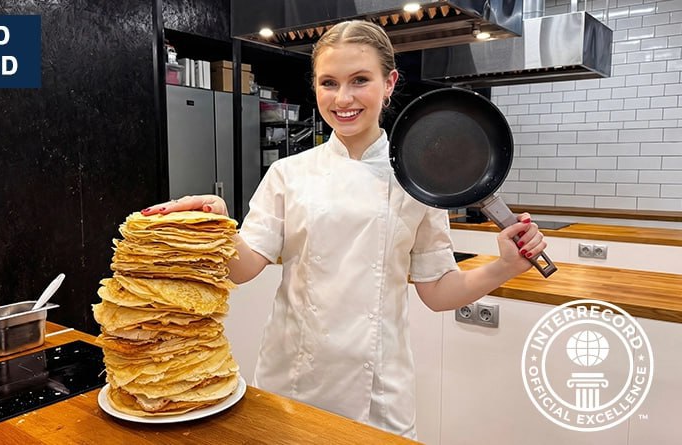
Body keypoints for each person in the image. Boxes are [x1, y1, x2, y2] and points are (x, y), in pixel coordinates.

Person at [142, 20, 547, 440]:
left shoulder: (417, 180)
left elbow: (438, 291)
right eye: (329, 83)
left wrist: (504, 267)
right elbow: (243, 269)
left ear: (389, 83)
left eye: (360, 80)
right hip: (293, 379)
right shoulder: (289, 174)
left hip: (379, 393)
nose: (343, 98)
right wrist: (217, 225)